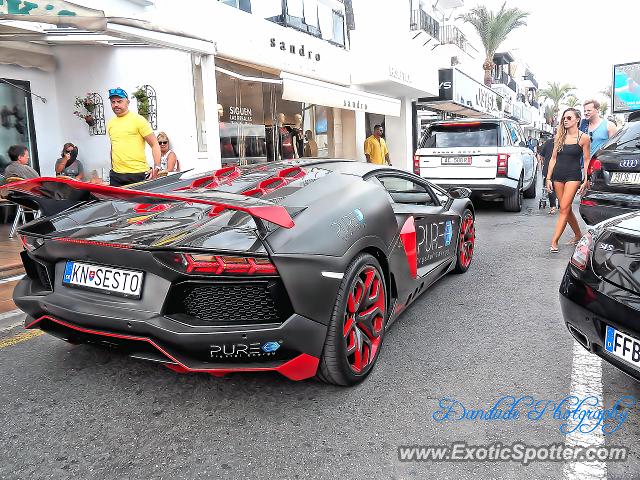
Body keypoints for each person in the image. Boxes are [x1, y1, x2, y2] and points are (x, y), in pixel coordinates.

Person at [546, 108, 591, 252]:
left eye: (569, 118)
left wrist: (586, 178)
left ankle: (554, 241)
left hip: (573, 176)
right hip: (558, 176)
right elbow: (553, 159)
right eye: (564, 118)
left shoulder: (583, 138)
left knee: (563, 207)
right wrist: (548, 177)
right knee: (566, 208)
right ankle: (578, 234)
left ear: (578, 119)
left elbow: (586, 159)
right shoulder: (559, 136)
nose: (565, 120)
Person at [106, 87, 161, 187]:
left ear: (127, 102)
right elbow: (113, 146)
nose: (116, 105)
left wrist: (157, 166)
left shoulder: (138, 120)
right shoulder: (110, 123)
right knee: (116, 202)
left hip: (137, 174)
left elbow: (154, 144)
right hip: (116, 175)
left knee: (139, 202)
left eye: (119, 101)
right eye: (113, 102)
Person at [538, 135, 557, 214]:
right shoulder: (565, 142)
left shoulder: (548, 142)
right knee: (557, 188)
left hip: (548, 168)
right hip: (560, 169)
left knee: (550, 188)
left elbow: (541, 155)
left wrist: (542, 163)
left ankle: (553, 207)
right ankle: (557, 205)